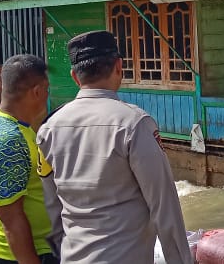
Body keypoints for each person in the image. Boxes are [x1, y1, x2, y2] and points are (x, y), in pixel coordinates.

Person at [37, 31, 192, 263]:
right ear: (119, 67)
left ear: (74, 77)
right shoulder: (134, 124)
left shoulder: (48, 130)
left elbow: (50, 207)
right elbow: (164, 206)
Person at [0, 54, 55, 264]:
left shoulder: (21, 129)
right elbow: (10, 218)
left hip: (40, 248)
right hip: (19, 256)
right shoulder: (8, 140)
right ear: (37, 91)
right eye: (46, 90)